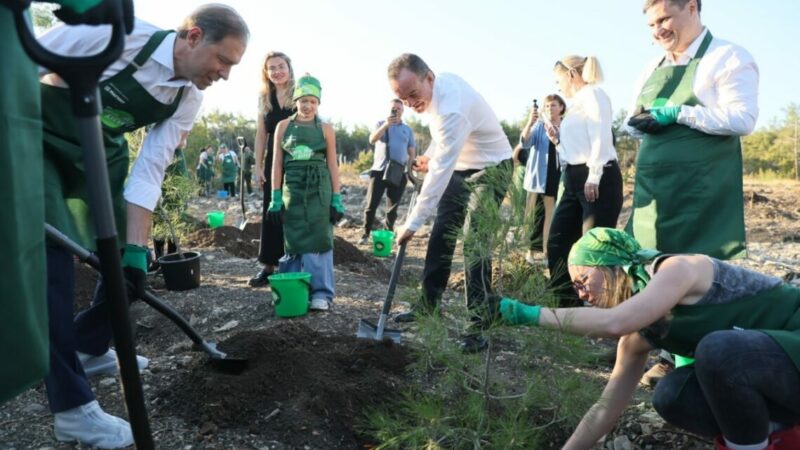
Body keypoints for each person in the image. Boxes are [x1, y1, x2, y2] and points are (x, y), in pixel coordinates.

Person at [38, 4, 248, 446]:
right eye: (223, 60)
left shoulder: (187, 98)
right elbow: (24, 60)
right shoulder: (117, 36)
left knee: (125, 262)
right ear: (194, 36)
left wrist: (137, 248)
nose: (226, 74)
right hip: (40, 140)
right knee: (51, 262)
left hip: (99, 150)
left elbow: (150, 170)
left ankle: (88, 345)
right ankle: (71, 408)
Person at [499, 227, 800, 450]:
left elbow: (616, 322)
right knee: (672, 394)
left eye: (584, 280)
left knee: (718, 349)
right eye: (575, 287)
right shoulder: (639, 336)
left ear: (612, 266)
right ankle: (779, 438)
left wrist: (523, 313)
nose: (581, 294)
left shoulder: (677, 269)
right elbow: (605, 409)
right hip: (777, 381)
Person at [625, 0, 759, 385]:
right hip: (654, 187)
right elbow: (632, 123)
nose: (658, 30)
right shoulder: (652, 67)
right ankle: (669, 350)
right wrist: (639, 123)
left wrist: (680, 113)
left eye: (665, 18)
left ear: (692, 7)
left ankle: (705, 360)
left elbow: (743, 118)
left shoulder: (727, 56)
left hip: (701, 188)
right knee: (653, 265)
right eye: (651, 24)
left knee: (698, 270)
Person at [388, 53, 513, 353]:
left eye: (413, 94)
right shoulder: (438, 93)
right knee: (443, 232)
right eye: (403, 99)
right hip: (462, 166)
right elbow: (443, 137)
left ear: (429, 78)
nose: (410, 104)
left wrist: (412, 223)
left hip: (492, 168)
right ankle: (428, 304)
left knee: (474, 241)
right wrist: (430, 155)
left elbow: (439, 174)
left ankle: (478, 323)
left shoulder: (453, 107)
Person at [546, 55, 623, 307]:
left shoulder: (594, 95)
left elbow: (601, 136)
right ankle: (568, 307)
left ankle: (604, 308)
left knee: (593, 250)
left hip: (597, 179)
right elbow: (578, 147)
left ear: (571, 75)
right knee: (558, 242)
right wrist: (557, 141)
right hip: (573, 178)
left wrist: (595, 175)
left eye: (559, 80)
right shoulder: (576, 104)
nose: (558, 87)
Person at [269, 74, 343, 311]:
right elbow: (276, 164)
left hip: (319, 190)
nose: (308, 106)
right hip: (293, 189)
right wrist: (275, 198)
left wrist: (337, 198)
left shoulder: (326, 129)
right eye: (303, 101)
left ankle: (321, 293)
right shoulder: (283, 126)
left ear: (318, 103)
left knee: (319, 238)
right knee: (293, 239)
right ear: (296, 101)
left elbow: (332, 165)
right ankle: (294, 290)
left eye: (312, 101)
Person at [248, 51, 295, 287]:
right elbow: (260, 134)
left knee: (294, 211)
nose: (277, 71)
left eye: (280, 66)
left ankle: (295, 265)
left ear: (289, 68)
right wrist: (258, 166)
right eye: (272, 68)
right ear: (266, 73)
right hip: (272, 163)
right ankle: (268, 266)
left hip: (297, 161)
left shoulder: (300, 92)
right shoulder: (264, 98)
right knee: (271, 211)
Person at [358, 98, 417, 245]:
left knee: (392, 209)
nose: (396, 110)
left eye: (399, 108)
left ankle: (387, 236)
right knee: (371, 205)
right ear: (389, 109)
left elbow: (412, 152)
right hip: (379, 170)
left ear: (403, 111)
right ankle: (365, 235)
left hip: (399, 172)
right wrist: (386, 125)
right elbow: (372, 140)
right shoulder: (380, 124)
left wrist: (410, 173)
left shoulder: (407, 130)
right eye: (393, 108)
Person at [516, 94, 566, 264]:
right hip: (537, 176)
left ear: (561, 107)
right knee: (532, 215)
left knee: (550, 215)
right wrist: (529, 123)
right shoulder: (538, 126)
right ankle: (529, 252)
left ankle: (546, 252)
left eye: (553, 105)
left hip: (555, 175)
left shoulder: (566, 126)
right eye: (547, 106)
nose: (550, 108)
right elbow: (525, 143)